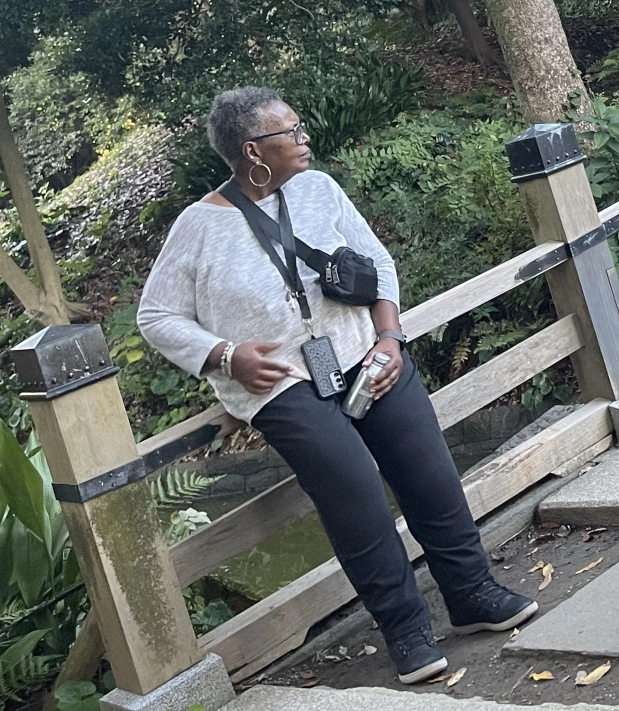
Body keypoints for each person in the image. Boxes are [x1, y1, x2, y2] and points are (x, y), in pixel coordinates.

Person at [139, 90, 537, 685]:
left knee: (428, 471)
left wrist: (390, 337)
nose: (305, 139)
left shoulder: (318, 189)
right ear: (253, 151)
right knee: (354, 494)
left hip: (365, 354)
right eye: (291, 131)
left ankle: (473, 593)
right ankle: (406, 631)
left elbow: (379, 263)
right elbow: (155, 316)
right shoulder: (198, 227)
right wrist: (224, 355)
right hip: (280, 384)